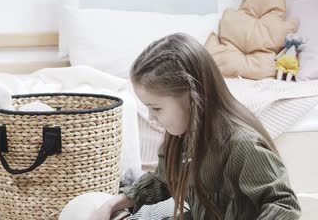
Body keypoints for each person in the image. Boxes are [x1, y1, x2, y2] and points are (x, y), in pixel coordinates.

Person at [90, 33, 300, 220]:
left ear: (192, 97)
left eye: (156, 108)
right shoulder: (181, 135)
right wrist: (112, 204)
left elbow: (284, 205)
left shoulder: (242, 144)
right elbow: (164, 180)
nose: (151, 118)